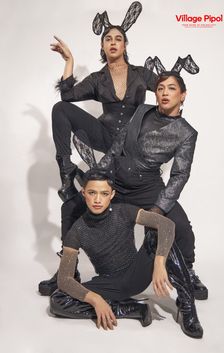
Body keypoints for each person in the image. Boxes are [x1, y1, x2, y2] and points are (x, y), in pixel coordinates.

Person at [63, 55, 208, 301]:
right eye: (160, 88)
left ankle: (189, 271)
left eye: (171, 88)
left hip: (147, 185)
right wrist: (100, 175)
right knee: (70, 207)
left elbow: (180, 174)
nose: (164, 92)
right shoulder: (142, 112)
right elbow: (117, 145)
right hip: (117, 179)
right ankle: (68, 269)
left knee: (182, 226)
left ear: (182, 95)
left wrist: (159, 208)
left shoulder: (186, 133)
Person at [38, 2, 158, 295]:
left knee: (168, 210)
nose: (113, 42)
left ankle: (186, 271)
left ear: (125, 44)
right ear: (102, 46)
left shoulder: (142, 73)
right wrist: (68, 60)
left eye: (118, 38)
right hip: (104, 136)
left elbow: (168, 88)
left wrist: (168, 118)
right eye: (107, 39)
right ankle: (66, 171)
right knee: (60, 108)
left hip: (131, 145)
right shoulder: (98, 78)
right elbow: (67, 95)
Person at [50, 170, 203, 338]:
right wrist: (95, 299)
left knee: (155, 234)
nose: (97, 199)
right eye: (92, 193)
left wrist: (159, 263)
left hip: (136, 273)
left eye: (104, 193)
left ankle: (187, 306)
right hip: (110, 283)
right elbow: (64, 279)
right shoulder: (76, 231)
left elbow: (166, 224)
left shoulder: (123, 211)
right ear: (83, 193)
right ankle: (130, 308)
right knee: (58, 300)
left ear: (112, 194)